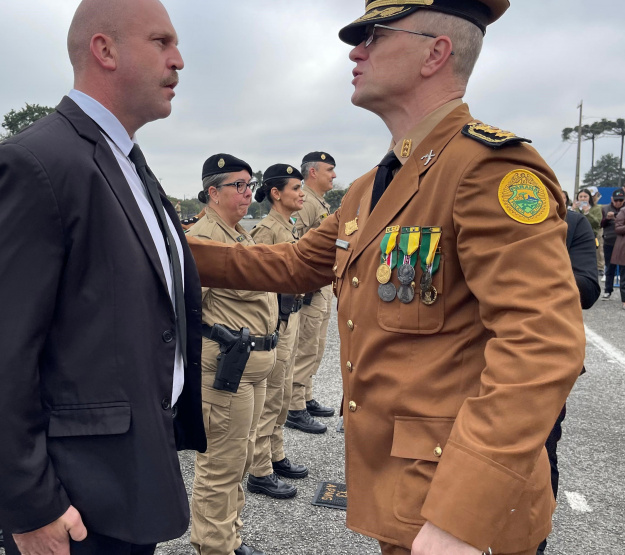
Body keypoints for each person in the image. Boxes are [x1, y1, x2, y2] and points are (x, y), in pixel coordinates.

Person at [187, 2, 585, 553]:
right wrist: (171, 248)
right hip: (403, 491)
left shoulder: (488, 169)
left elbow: (541, 344)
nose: (355, 50)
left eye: (373, 36)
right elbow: (295, 264)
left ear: (435, 52)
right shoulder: (372, 185)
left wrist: (462, 516)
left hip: (456, 508)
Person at [0, 1, 206, 554]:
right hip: (75, 494)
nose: (179, 60)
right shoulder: (36, 162)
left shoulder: (122, 159)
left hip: (129, 469)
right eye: (162, 42)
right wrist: (31, 505)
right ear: (105, 50)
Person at [187, 155, 276, 555]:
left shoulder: (239, 233)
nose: (247, 192)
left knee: (239, 458)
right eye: (238, 186)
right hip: (227, 368)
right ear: (212, 192)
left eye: (249, 184)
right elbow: (185, 311)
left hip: (253, 367)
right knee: (220, 464)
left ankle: (228, 536)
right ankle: (213, 546)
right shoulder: (204, 238)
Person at [245, 163, 311, 501]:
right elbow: (258, 285)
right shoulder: (267, 230)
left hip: (294, 314)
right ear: (276, 194)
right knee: (271, 395)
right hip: (278, 320)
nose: (302, 194)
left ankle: (275, 453)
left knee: (283, 395)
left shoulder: (289, 224)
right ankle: (259, 470)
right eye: (296, 188)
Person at [536, 209, 599, 554]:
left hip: (541, 364)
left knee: (540, 458)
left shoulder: (570, 222)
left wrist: (520, 267)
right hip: (458, 357)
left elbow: (588, 288)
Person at [286, 151, 338, 435]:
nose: (334, 175)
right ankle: (294, 407)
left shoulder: (319, 203)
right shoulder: (304, 203)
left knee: (316, 345)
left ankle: (305, 395)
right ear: (313, 173)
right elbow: (296, 245)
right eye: (329, 169)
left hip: (322, 285)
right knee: (305, 346)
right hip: (310, 288)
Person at [600, 189, 625, 299]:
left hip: (624, 240)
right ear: (612, 199)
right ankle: (607, 290)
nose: (618, 203)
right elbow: (601, 224)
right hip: (609, 240)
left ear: (624, 200)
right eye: (616, 200)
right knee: (609, 267)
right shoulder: (605, 208)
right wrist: (607, 218)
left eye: (620, 200)